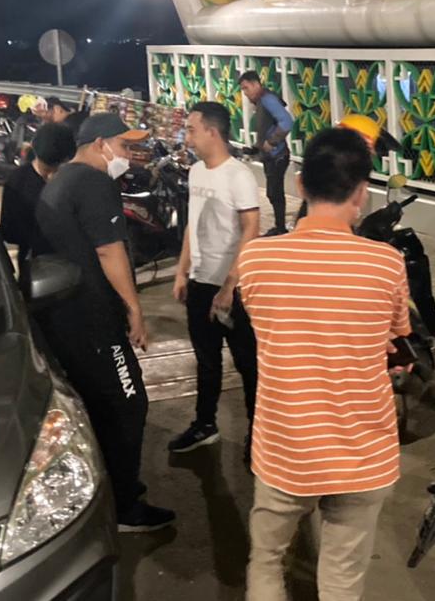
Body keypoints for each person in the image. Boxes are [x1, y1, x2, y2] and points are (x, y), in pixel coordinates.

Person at [236, 127, 410, 601]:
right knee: (342, 578)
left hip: (286, 448)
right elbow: (397, 336)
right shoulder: (386, 264)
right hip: (362, 452)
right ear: (361, 192)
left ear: (299, 184)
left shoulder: (256, 259)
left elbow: (264, 322)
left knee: (267, 561)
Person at [35, 112, 174, 532]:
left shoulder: (60, 180)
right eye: (124, 146)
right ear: (100, 145)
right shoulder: (94, 183)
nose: (128, 155)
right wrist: (134, 309)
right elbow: (109, 251)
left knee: (97, 406)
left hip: (65, 317)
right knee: (128, 404)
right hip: (93, 318)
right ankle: (125, 505)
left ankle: (107, 488)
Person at [167, 102, 261, 456]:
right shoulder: (196, 172)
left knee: (248, 364)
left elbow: (251, 230)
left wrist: (230, 284)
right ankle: (205, 424)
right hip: (200, 281)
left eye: (192, 130)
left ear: (212, 131)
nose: (187, 137)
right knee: (206, 361)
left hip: (233, 288)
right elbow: (193, 224)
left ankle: (259, 433)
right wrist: (182, 271)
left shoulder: (239, 175)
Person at [0, 123, 76, 269]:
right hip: (37, 265)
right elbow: (9, 232)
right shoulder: (18, 182)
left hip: (70, 262)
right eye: (51, 167)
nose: (54, 172)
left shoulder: (73, 179)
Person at [239, 71, 294, 235]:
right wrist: (257, 147)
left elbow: (287, 121)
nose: (245, 93)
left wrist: (272, 142)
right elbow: (268, 127)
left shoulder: (268, 99)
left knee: (274, 192)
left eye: (246, 88)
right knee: (274, 193)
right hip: (272, 156)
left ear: (256, 84)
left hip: (277, 155)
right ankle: (279, 226)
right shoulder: (262, 100)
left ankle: (280, 228)